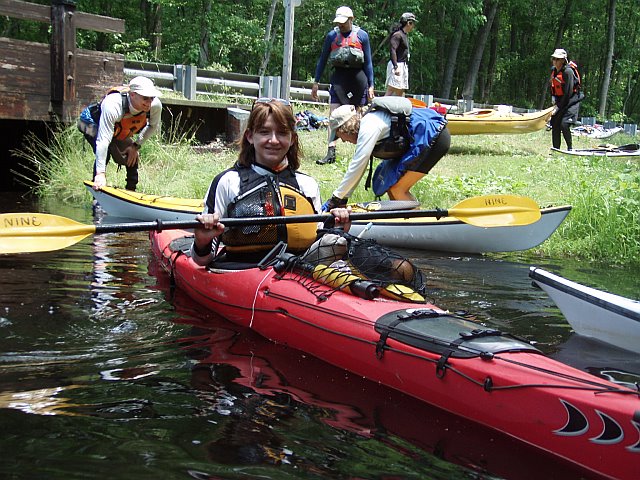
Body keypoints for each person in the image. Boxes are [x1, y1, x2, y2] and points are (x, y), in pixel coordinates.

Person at [191, 98, 351, 266]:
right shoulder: (228, 182)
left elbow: (318, 242)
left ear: (292, 139)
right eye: (264, 132)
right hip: (242, 272)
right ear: (250, 136)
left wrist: (338, 228)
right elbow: (202, 260)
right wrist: (202, 242)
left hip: (297, 271)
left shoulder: (307, 185)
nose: (273, 140)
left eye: (282, 133)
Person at [322, 97, 450, 209]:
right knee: (391, 186)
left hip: (434, 136)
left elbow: (359, 163)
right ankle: (405, 224)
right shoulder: (368, 123)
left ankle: (420, 228)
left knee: (398, 189)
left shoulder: (369, 125)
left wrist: (337, 197)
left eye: (340, 136)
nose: (343, 141)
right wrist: (343, 197)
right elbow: (360, 167)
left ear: (345, 128)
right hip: (424, 138)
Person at [311, 6, 375, 165]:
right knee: (334, 115)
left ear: (351, 19)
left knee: (358, 117)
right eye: (339, 22)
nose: (340, 25)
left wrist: (371, 85)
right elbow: (323, 59)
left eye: (344, 22)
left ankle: (361, 153)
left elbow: (368, 63)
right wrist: (316, 82)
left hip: (358, 79)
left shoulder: (362, 36)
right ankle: (330, 152)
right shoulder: (332, 36)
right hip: (339, 79)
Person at [78, 76, 163, 191]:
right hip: (88, 123)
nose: (149, 103)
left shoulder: (155, 105)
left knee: (132, 153)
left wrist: (135, 146)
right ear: (132, 94)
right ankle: (97, 194)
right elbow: (103, 141)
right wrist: (100, 173)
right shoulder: (113, 105)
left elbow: (152, 126)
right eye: (145, 98)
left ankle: (131, 191)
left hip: (115, 128)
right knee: (105, 151)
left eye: (151, 98)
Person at [549, 48, 582, 151]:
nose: (555, 61)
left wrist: (558, 107)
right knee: (555, 124)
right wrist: (553, 98)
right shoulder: (554, 71)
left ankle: (570, 148)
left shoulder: (568, 72)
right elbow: (553, 86)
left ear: (563, 60)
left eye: (558, 59)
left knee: (564, 124)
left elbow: (568, 93)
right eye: (554, 59)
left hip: (572, 101)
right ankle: (556, 149)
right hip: (561, 101)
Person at [385, 12, 417, 96]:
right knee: (391, 90)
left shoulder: (404, 35)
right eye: (413, 23)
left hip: (403, 65)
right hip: (397, 65)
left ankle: (397, 108)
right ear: (408, 23)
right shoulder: (397, 35)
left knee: (400, 91)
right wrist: (396, 67)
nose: (413, 26)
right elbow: (393, 50)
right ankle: (380, 107)